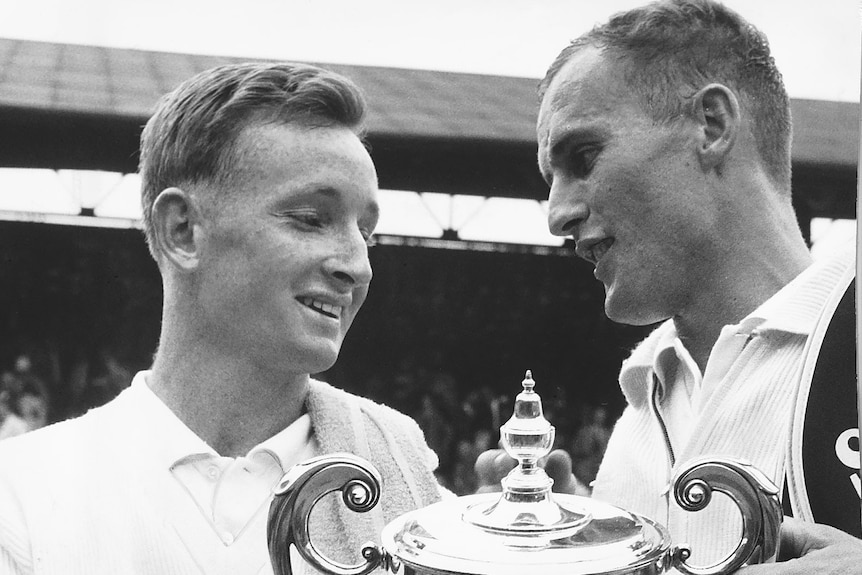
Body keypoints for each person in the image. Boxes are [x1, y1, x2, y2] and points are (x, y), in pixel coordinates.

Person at [0, 62, 444, 575]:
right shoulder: (22, 499)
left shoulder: (419, 502)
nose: (356, 265)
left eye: (365, 233)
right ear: (183, 230)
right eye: (310, 219)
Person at [479, 0, 860, 570]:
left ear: (711, 126)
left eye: (583, 157)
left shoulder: (846, 341)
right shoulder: (642, 400)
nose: (557, 214)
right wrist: (583, 540)